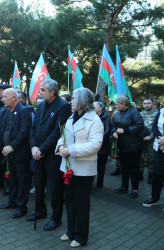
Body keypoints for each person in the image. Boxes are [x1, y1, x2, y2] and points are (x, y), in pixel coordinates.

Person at [56, 87, 104, 248]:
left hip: (83, 169)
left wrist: (70, 150)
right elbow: (63, 135)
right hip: (68, 167)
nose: (71, 101)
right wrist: (61, 146)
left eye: (74, 97)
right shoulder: (71, 117)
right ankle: (71, 231)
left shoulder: (94, 120)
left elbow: (95, 145)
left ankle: (81, 236)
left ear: (83, 100)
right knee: (69, 200)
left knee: (81, 203)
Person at [27, 79, 71, 230]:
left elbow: (57, 132)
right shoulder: (39, 106)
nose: (40, 92)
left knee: (54, 188)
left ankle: (56, 217)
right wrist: (33, 146)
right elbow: (33, 128)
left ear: (52, 92)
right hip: (38, 152)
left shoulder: (63, 106)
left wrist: (42, 149)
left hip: (52, 154)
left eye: (43, 90)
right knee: (38, 183)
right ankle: (40, 210)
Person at [0, 88, 32, 218]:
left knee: (22, 181)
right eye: (2, 97)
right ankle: (12, 201)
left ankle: (22, 207)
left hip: (20, 153)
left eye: (5, 97)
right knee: (11, 179)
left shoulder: (24, 111)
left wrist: (13, 146)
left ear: (14, 98)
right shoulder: (4, 111)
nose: (2, 99)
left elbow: (24, 132)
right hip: (6, 152)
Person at [112, 95, 144, 199]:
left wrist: (125, 130)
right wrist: (113, 132)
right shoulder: (117, 113)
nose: (116, 106)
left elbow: (139, 125)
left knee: (134, 168)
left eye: (117, 104)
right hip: (122, 145)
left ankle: (135, 190)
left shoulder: (134, 112)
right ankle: (124, 186)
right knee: (124, 167)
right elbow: (113, 125)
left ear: (124, 104)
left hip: (134, 146)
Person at [93, 101, 112, 188]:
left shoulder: (107, 117)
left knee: (101, 166)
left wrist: (98, 139)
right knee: (92, 165)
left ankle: (100, 184)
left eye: (94, 106)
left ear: (100, 108)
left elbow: (107, 131)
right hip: (93, 145)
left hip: (103, 146)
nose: (92, 107)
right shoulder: (91, 116)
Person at [140, 98, 158, 184]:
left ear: (153, 104)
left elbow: (158, 127)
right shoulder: (140, 114)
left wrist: (150, 136)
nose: (146, 105)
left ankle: (151, 174)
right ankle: (140, 173)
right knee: (141, 157)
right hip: (142, 140)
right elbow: (137, 126)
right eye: (145, 103)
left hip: (152, 140)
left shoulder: (157, 114)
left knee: (152, 158)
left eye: (148, 103)